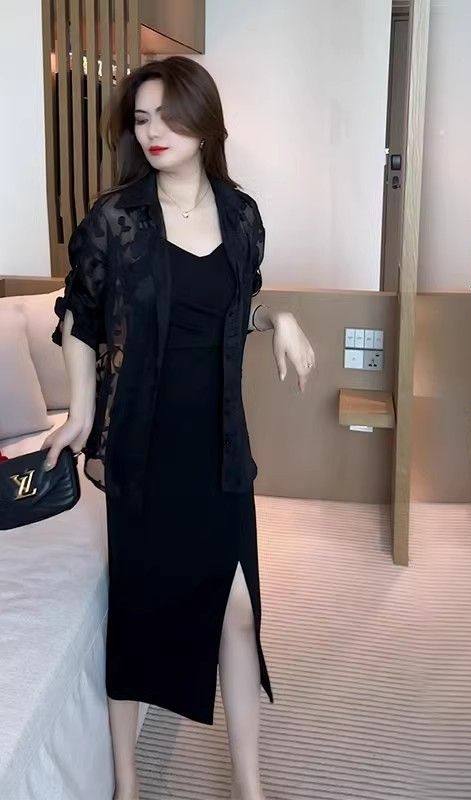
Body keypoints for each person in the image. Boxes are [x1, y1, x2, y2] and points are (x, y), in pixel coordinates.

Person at [41, 56, 315, 800]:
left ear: (205, 123)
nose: (153, 131)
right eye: (141, 119)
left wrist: (279, 319)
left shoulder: (241, 215)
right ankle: (128, 784)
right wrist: (82, 411)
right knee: (138, 616)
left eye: (168, 116)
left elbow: (235, 306)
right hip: (143, 444)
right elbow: (80, 320)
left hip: (219, 442)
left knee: (239, 613)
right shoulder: (116, 220)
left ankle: (249, 786)